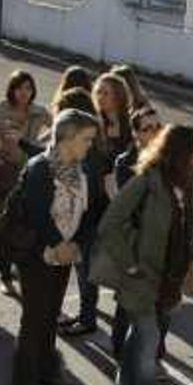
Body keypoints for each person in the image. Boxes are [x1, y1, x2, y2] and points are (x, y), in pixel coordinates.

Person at [94, 124, 193, 385]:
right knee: (149, 345)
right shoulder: (147, 181)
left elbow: (189, 226)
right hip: (141, 278)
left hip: (169, 281)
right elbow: (109, 224)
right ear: (181, 152)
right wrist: (129, 265)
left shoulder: (190, 183)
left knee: (141, 336)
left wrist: (190, 265)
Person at [10, 110, 102, 385]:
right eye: (86, 139)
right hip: (37, 255)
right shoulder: (40, 168)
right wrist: (58, 243)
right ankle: (23, 382)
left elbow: (90, 210)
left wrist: (75, 243)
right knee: (35, 317)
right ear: (68, 138)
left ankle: (47, 369)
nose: (90, 145)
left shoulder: (81, 169)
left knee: (51, 313)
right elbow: (37, 212)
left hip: (65, 253)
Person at [60, 73, 132, 337]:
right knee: (85, 262)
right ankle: (87, 316)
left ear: (119, 97)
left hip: (119, 207)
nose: (100, 97)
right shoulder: (93, 125)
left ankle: (124, 325)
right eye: (98, 92)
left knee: (122, 267)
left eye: (106, 93)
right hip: (91, 204)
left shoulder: (131, 127)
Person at [0, 70, 53, 293]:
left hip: (29, 175)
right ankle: (5, 276)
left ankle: (18, 268)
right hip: (4, 174)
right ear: (11, 89)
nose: (24, 93)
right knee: (4, 224)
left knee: (24, 225)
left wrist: (41, 145)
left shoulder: (39, 111)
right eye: (19, 87)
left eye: (28, 88)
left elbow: (57, 129)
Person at [108, 106, 165, 361]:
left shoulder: (171, 160)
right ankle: (120, 352)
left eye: (157, 127)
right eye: (146, 128)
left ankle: (154, 352)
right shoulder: (125, 163)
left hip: (163, 247)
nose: (154, 133)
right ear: (135, 134)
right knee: (128, 304)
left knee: (161, 305)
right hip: (135, 247)